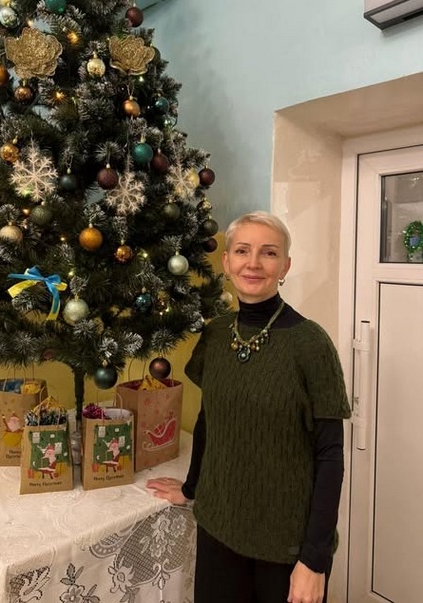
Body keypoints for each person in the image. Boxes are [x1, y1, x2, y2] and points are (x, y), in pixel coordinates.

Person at [147, 211, 351, 603]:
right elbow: (210, 420)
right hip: (217, 527)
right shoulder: (216, 334)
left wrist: (314, 560)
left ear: (285, 266)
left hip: (285, 545)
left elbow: (330, 455)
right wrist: (191, 488)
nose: (253, 263)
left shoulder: (311, 345)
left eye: (268, 253)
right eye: (242, 251)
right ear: (227, 262)